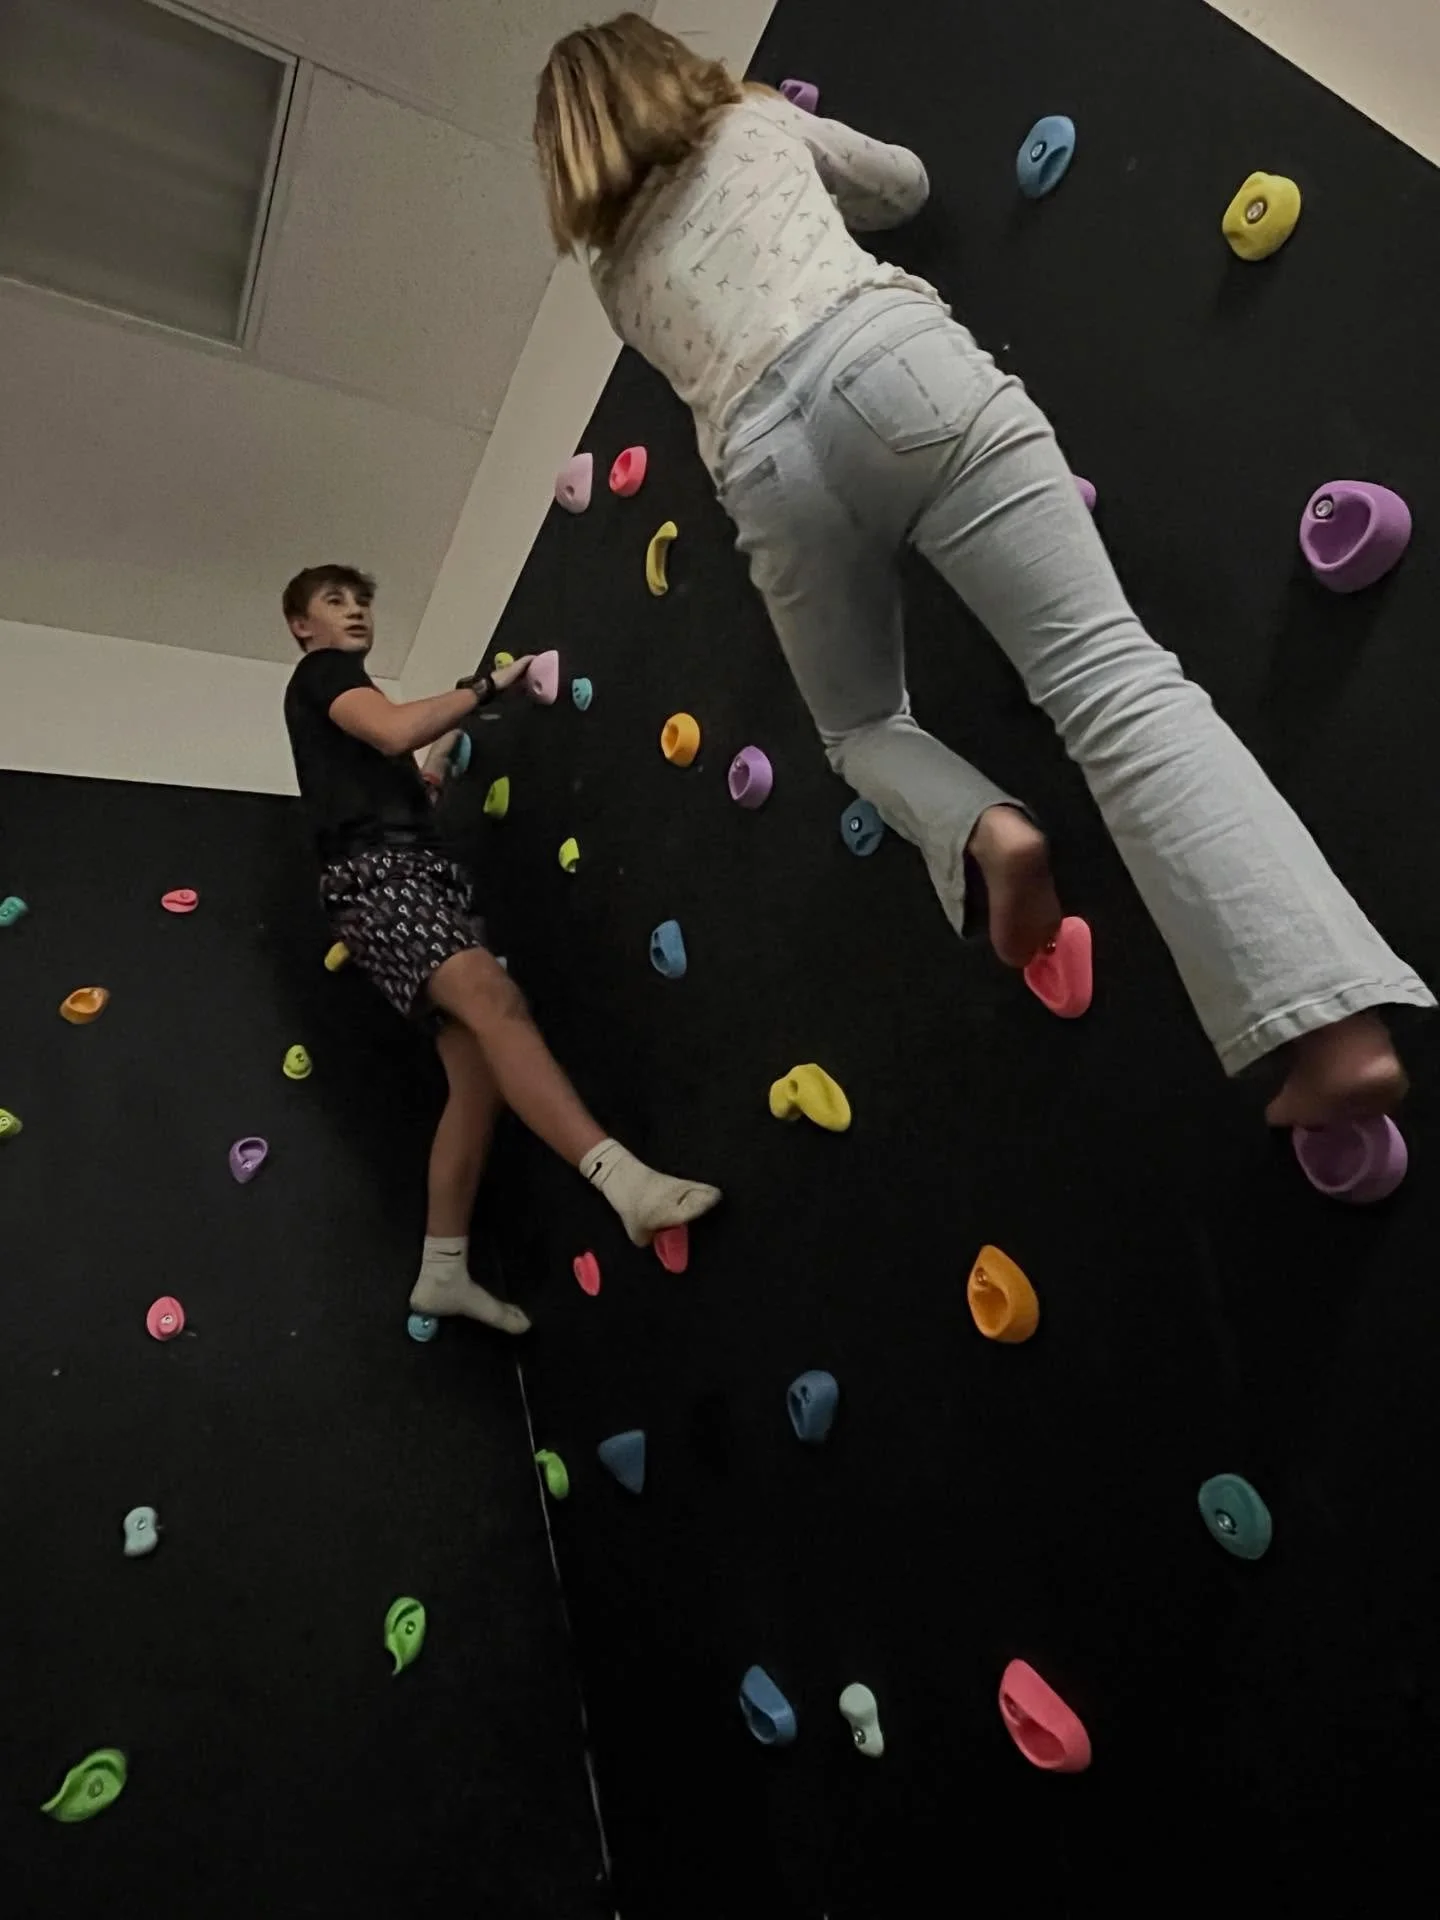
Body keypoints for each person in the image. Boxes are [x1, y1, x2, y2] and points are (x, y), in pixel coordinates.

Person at [533, 15, 1431, 1127]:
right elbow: (901, 187)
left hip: (764, 465)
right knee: (1114, 686)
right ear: (666, 72)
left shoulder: (615, 276)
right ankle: (1330, 1026)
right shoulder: (749, 119)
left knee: (859, 731)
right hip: (887, 362)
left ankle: (979, 827)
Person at [281, 562, 720, 1332]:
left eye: (361, 602)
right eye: (334, 601)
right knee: (495, 1000)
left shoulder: (345, 716)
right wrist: (487, 686)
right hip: (380, 877)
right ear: (301, 626)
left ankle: (441, 1271)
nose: (354, 613)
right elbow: (391, 729)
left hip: (405, 870)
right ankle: (623, 1183)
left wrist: (443, 749)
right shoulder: (325, 675)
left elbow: (406, 778)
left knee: (478, 1080)